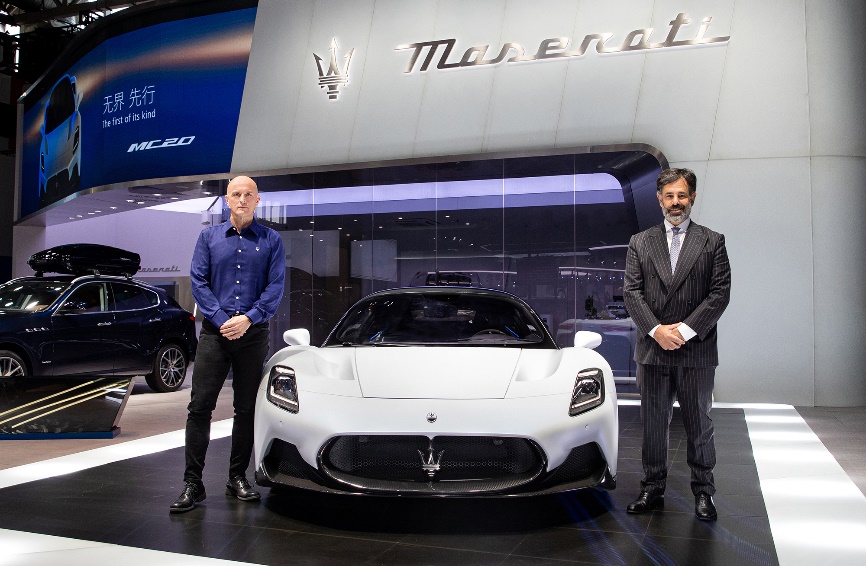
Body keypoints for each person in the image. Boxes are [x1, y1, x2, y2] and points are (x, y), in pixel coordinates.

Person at [171, 175, 285, 513]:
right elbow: (198, 282)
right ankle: (193, 483)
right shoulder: (208, 237)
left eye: (249, 194)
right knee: (199, 407)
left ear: (258, 200)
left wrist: (248, 318)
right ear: (227, 199)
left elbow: (275, 286)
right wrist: (222, 320)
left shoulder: (271, 240)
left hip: (253, 333)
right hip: (214, 334)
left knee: (246, 409)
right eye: (236, 194)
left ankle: (237, 477)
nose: (242, 199)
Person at [623, 167, 731, 521]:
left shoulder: (712, 241)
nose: (675, 202)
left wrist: (682, 331)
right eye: (669, 196)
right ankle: (652, 487)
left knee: (700, 424)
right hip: (654, 349)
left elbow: (719, 294)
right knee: (654, 425)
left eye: (681, 195)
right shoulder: (640, 242)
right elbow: (632, 293)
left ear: (692, 198)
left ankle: (704, 492)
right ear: (659, 199)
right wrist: (657, 330)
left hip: (695, 349)